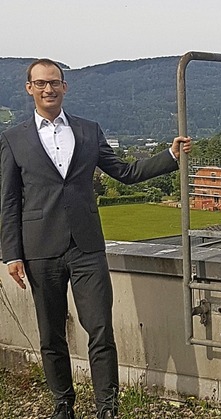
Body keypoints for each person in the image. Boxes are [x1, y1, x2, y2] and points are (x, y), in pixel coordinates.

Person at [0, 58, 192, 419]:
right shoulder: (12, 139)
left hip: (87, 247)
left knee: (101, 330)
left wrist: (171, 155)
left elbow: (125, 172)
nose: (48, 89)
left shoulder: (89, 131)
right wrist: (12, 253)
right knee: (51, 336)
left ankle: (107, 408)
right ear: (29, 89)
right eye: (40, 83)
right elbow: (9, 200)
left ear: (64, 87)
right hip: (40, 249)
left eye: (54, 82)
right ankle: (63, 404)